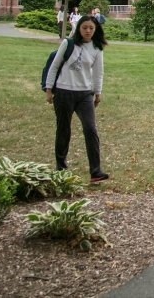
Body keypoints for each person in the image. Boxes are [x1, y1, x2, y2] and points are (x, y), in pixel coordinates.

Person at [44, 16, 109, 183]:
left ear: (95, 30)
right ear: (79, 28)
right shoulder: (68, 44)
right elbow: (55, 66)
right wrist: (49, 89)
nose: (88, 31)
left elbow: (98, 73)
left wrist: (98, 93)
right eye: (85, 27)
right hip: (64, 92)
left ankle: (95, 171)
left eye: (91, 28)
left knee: (90, 129)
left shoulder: (97, 48)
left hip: (85, 94)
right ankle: (61, 168)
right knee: (63, 129)